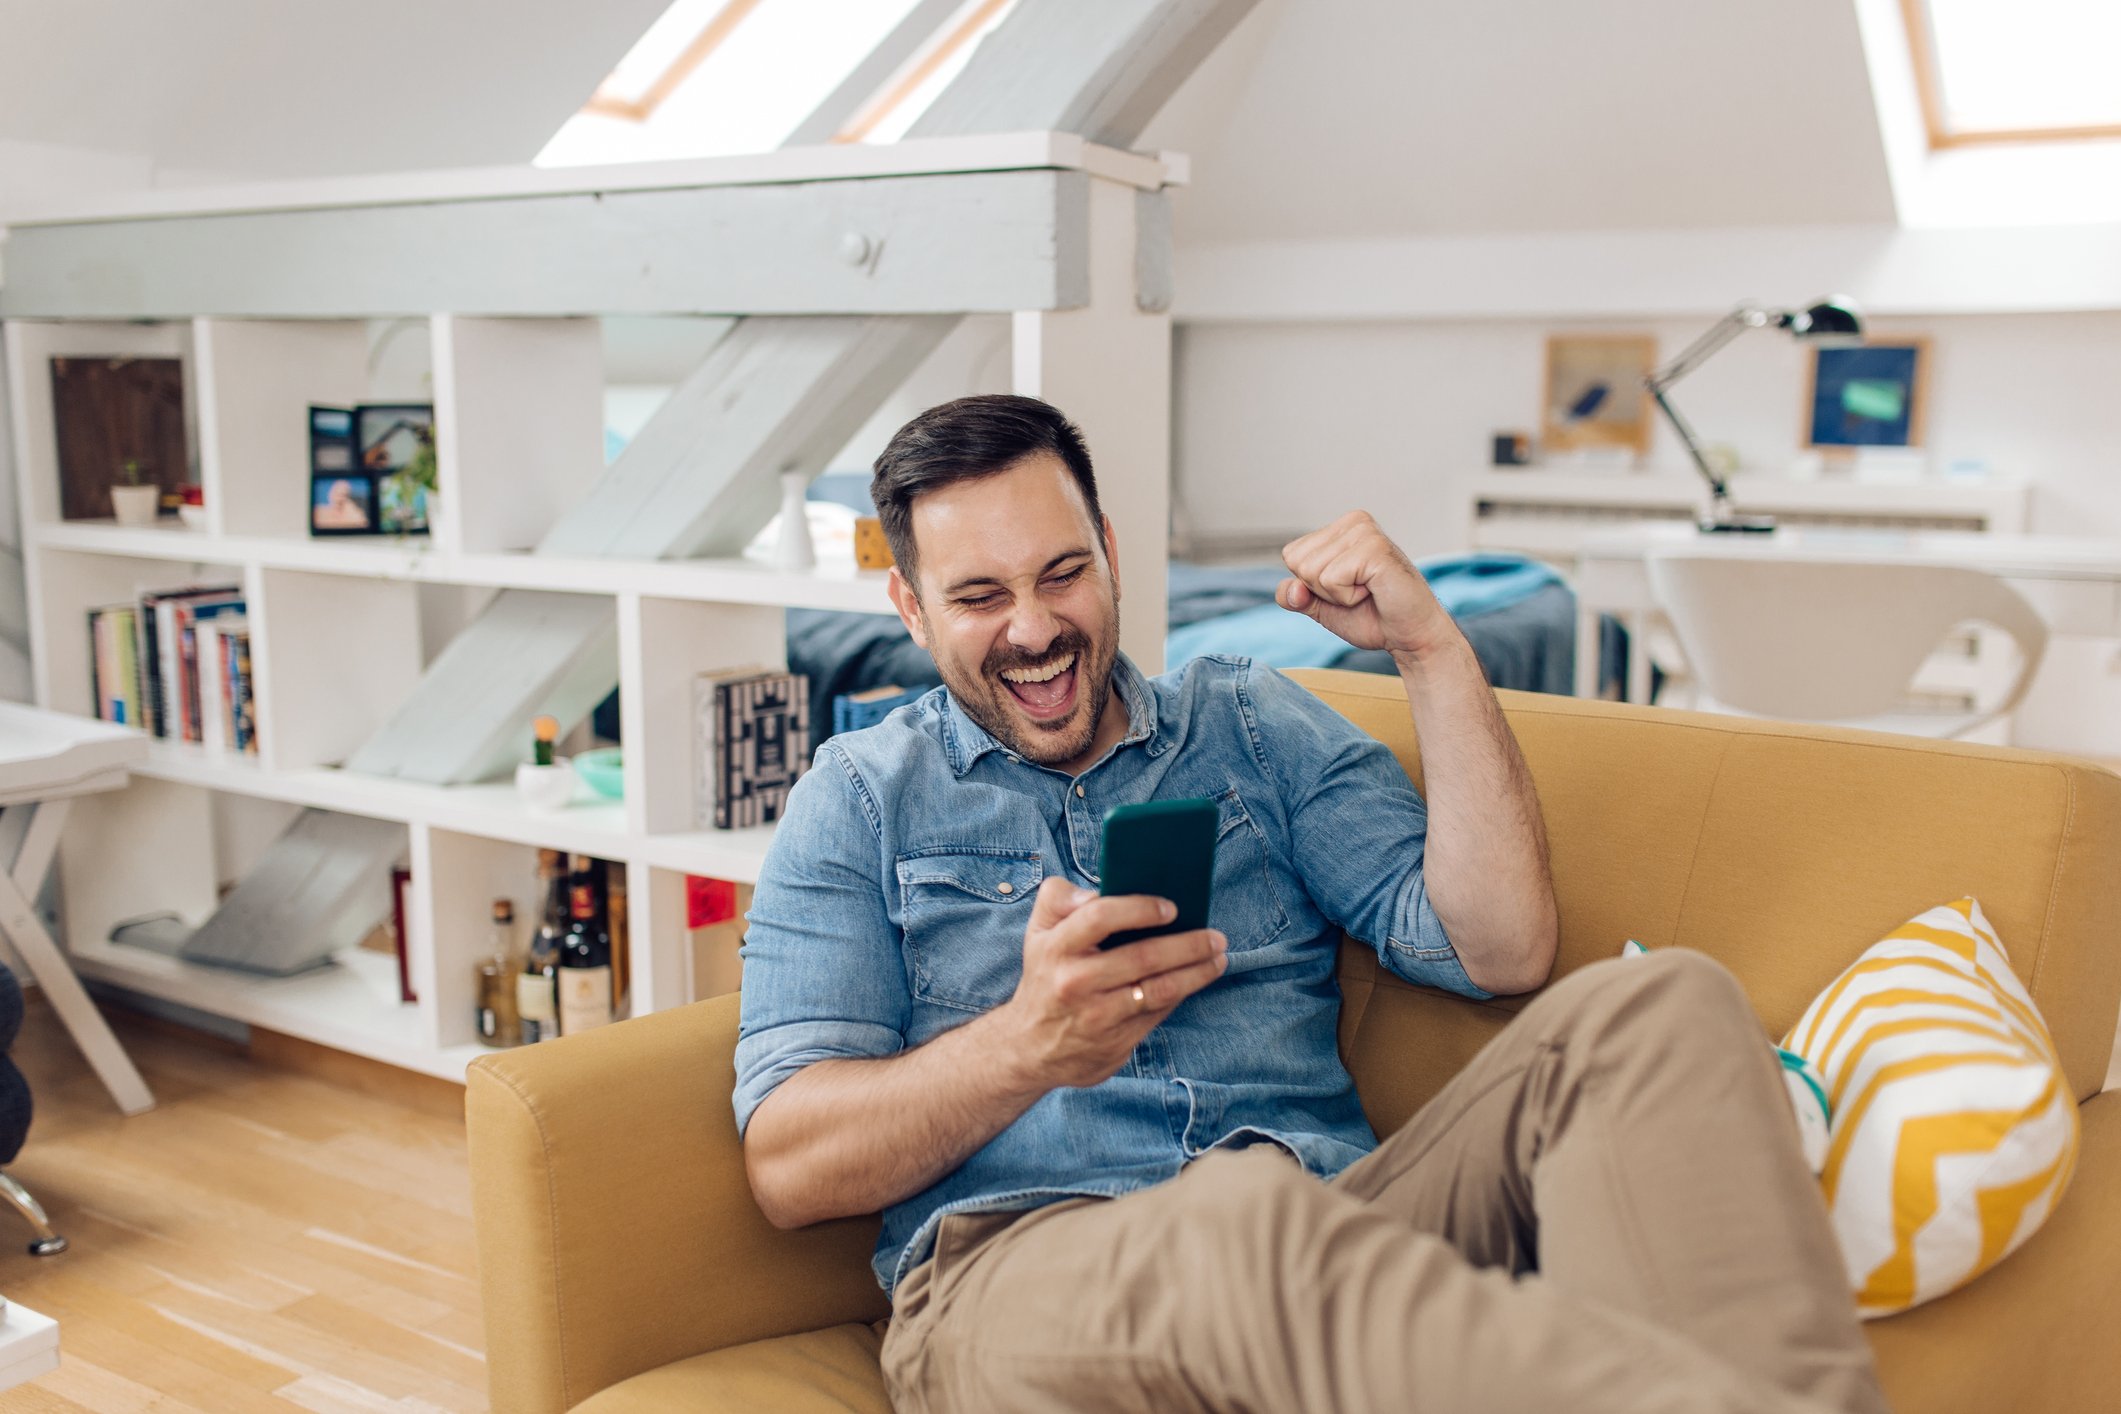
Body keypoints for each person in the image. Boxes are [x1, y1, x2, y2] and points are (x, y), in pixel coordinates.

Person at [735, 395, 1886, 1414]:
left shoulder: (1249, 725)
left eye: (1062, 574)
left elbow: (1503, 946)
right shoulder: (860, 800)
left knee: (1662, 1005)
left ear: (1112, 552)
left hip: (1339, 1225)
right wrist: (1026, 1048)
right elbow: (788, 1168)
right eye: (979, 596)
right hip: (1017, 1272)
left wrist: (1431, 647)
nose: (1034, 630)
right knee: (1239, 1222)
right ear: (910, 605)